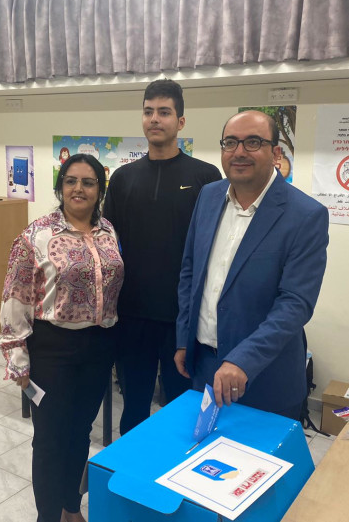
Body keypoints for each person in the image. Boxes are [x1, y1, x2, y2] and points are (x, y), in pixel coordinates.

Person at [175, 110, 329, 418]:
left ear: (275, 153)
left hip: (264, 377)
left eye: (253, 142)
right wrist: (183, 338)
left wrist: (244, 359)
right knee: (204, 462)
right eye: (230, 142)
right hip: (204, 365)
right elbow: (190, 272)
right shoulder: (208, 196)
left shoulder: (305, 215)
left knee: (262, 466)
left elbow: (295, 303)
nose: (239, 152)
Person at [0, 154, 124, 522]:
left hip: (98, 346)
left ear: (99, 189)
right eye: (71, 181)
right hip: (52, 349)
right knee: (50, 440)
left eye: (88, 182)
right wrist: (16, 357)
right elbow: (15, 295)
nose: (79, 189)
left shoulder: (110, 232)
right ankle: (48, 516)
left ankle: (72, 507)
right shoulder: (36, 235)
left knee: (80, 432)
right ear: (60, 186)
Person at [103, 79, 222, 434]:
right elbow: (108, 245)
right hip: (132, 317)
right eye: (148, 111)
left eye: (164, 112)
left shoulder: (206, 178)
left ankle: (171, 483)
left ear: (180, 122)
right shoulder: (123, 179)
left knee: (181, 410)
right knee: (134, 408)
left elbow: (213, 248)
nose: (155, 119)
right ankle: (131, 481)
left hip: (182, 321)